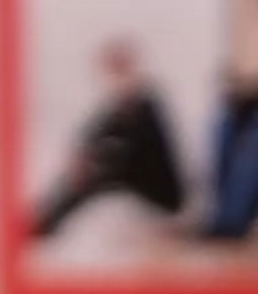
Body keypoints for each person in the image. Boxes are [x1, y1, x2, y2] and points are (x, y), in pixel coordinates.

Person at [31, 40, 189, 241]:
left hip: (161, 189)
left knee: (95, 177)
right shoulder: (123, 103)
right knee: (85, 174)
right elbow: (95, 131)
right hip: (133, 175)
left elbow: (134, 151)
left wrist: (95, 161)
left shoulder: (146, 102)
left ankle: (44, 225)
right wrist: (82, 155)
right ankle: (43, 219)